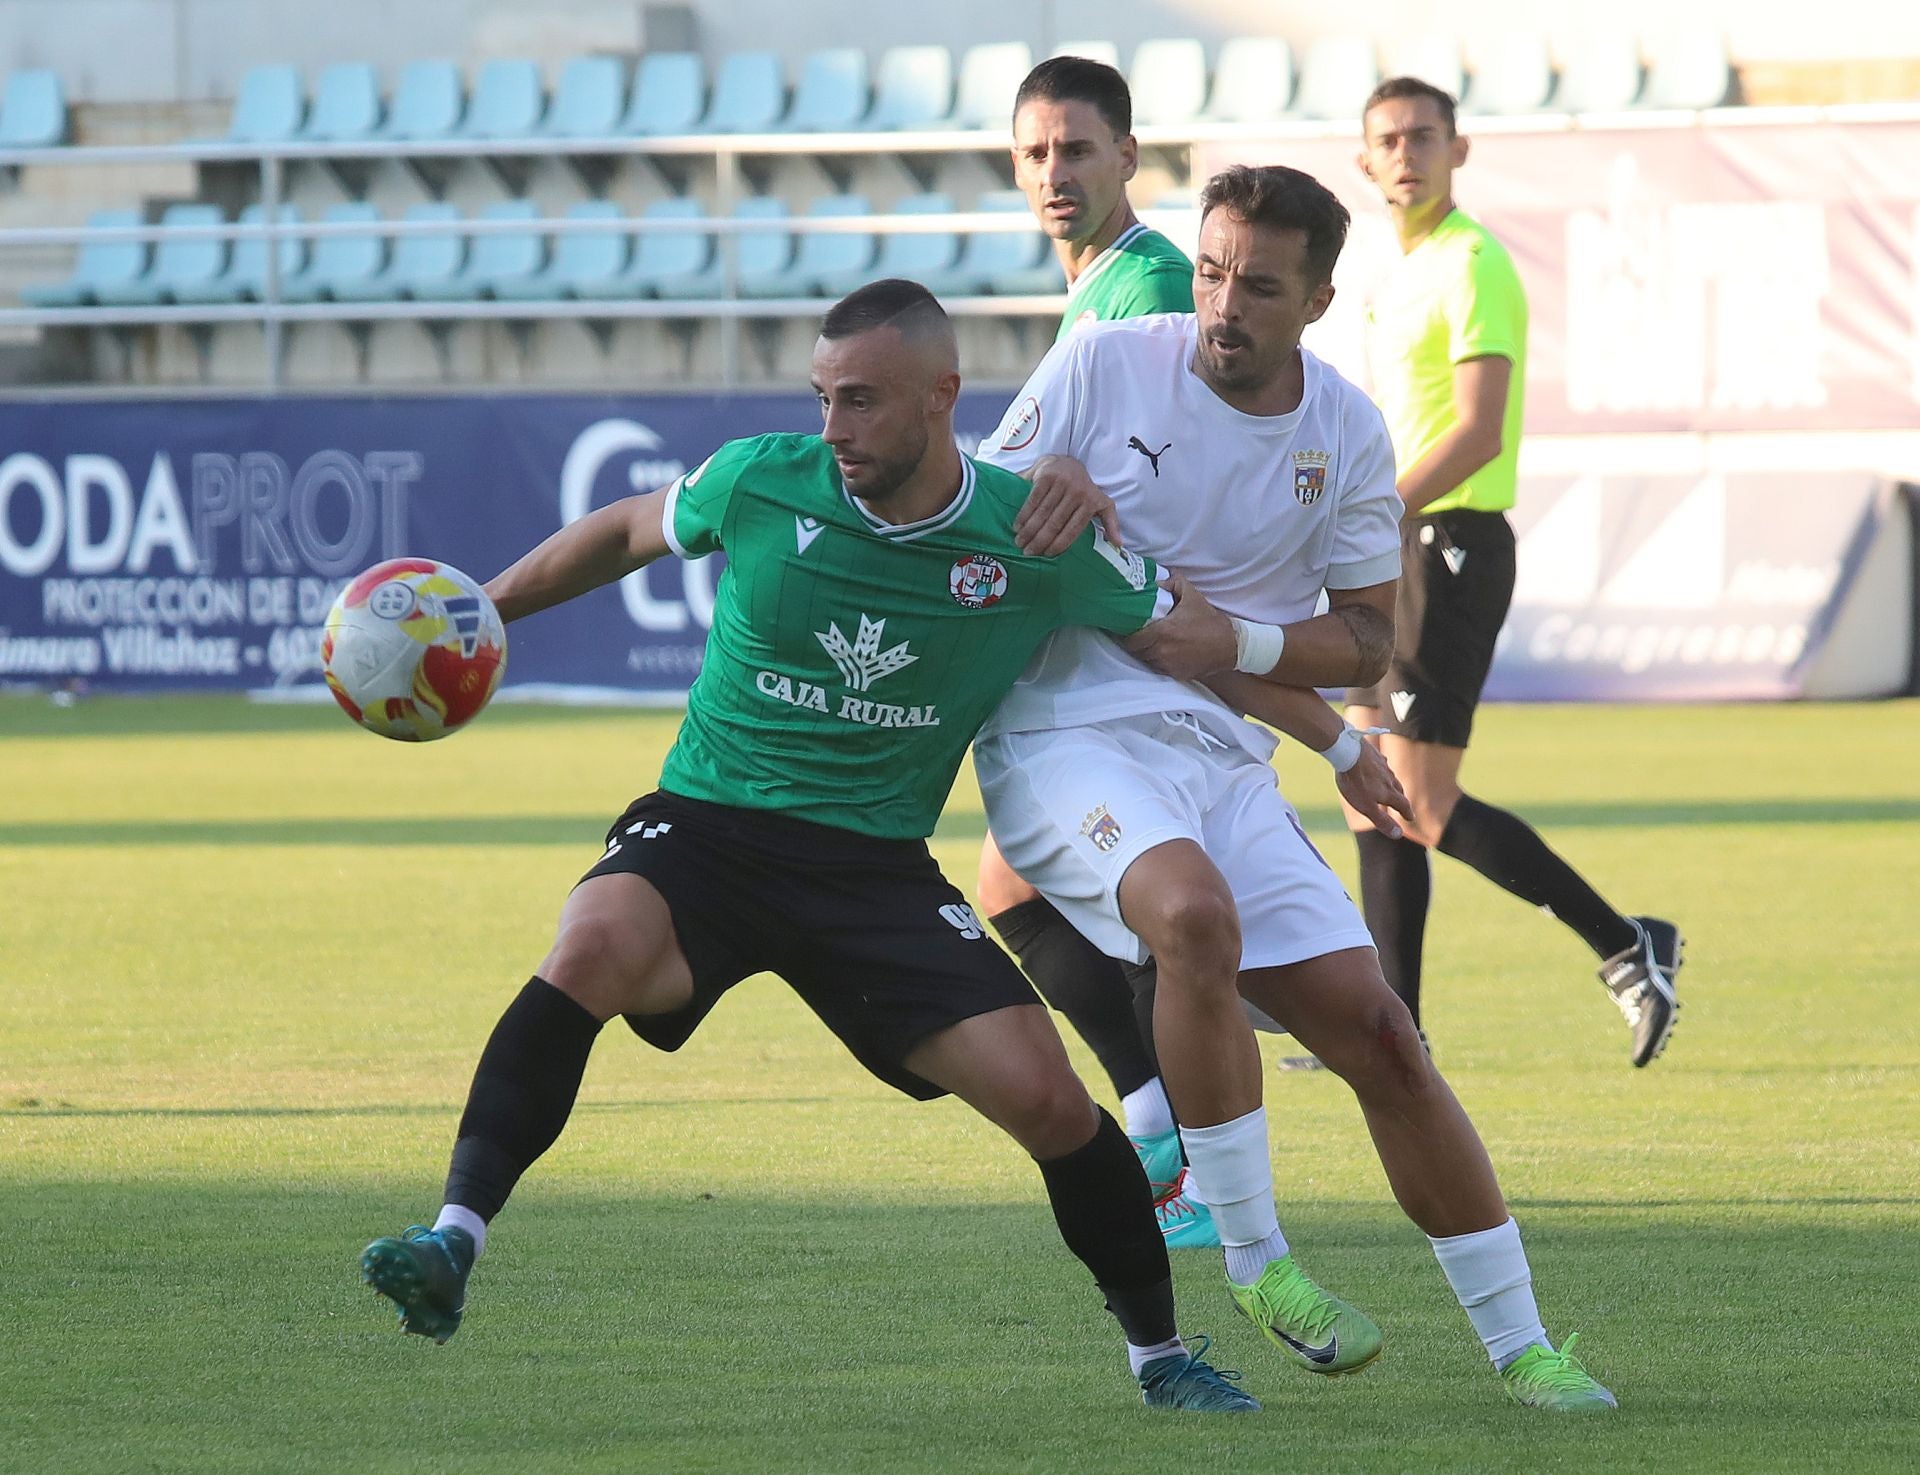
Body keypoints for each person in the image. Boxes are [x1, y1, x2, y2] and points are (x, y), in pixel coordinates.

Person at [356, 280, 1258, 1414]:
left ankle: (1163, 1357)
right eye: (824, 398)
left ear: (942, 398)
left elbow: (1185, 633)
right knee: (590, 942)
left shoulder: (1031, 534)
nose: (834, 430)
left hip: (872, 867)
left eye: (863, 403)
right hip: (707, 829)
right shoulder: (759, 477)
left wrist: (1336, 721)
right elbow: (631, 527)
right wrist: (480, 613)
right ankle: (452, 1238)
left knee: (1049, 1100)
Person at [972, 164, 1620, 1411]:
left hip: (1221, 751)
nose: (1223, 304)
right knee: (1192, 918)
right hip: (1065, 733)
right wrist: (1050, 496)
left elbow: (1371, 639)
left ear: (1320, 298)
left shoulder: (1347, 430)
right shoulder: (1109, 363)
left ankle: (1524, 1346)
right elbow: (979, 511)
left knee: (1384, 1035)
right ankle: (1259, 1260)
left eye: (1259, 285)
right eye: (1212, 271)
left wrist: (1258, 662)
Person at [1344, 76, 1682, 1067]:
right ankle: (1391, 1026)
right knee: (1372, 790)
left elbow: (1477, 428)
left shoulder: (1474, 264)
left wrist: (1375, 514)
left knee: (1424, 799)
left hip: (1446, 540)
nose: (1405, 153)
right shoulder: (1390, 272)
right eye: (1388, 140)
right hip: (1394, 541)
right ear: (1363, 161)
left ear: (1460, 150)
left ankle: (1627, 944)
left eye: (1422, 136)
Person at [981, 53, 1209, 1244]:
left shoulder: (1154, 281)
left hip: (1133, 657)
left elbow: (1154, 467)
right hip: (1110, 642)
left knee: (1135, 909)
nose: (1055, 172)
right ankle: (1167, 1129)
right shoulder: (1103, 285)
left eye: (1077, 149)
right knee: (1013, 889)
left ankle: (1194, 1159)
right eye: (1035, 153)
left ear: (1130, 154)